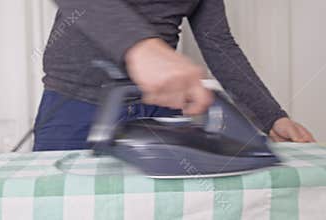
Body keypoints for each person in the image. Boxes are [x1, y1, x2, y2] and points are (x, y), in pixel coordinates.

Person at [33, 0, 315, 151]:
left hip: (157, 105)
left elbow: (218, 43)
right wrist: (140, 46)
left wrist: (272, 117)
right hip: (75, 102)